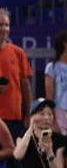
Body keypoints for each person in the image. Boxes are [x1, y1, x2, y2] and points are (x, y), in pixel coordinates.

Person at [0, 8, 33, 138]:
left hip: (14, 117)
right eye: (0, 25)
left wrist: (28, 114)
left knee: (15, 155)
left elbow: (25, 86)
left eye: (6, 25)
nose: (4, 29)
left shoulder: (18, 52)